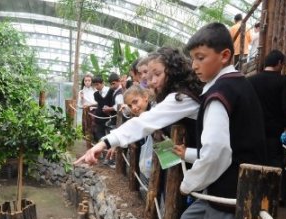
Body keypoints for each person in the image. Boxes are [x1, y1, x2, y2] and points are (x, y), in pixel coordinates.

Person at [173, 22, 266, 219]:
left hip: (229, 193)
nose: (194, 65)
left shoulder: (219, 94)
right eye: (193, 59)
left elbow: (217, 152)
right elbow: (230, 146)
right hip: (232, 188)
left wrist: (189, 183)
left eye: (201, 58)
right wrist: (189, 154)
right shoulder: (237, 85)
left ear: (224, 55)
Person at [74, 46, 202, 165]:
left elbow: (144, 122)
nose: (152, 82)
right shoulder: (182, 93)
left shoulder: (182, 97)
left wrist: (104, 143)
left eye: (157, 74)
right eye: (150, 76)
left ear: (174, 70)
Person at [248, 49, 286, 167]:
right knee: (273, 167)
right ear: (279, 62)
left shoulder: (250, 80)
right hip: (274, 133)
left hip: (253, 131)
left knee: (253, 164)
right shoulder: (284, 82)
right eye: (283, 64)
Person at [92, 76, 110, 142]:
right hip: (99, 118)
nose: (96, 87)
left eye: (97, 84)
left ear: (102, 83)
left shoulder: (109, 91)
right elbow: (99, 104)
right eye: (94, 85)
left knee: (109, 135)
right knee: (99, 135)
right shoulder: (96, 94)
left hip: (108, 117)